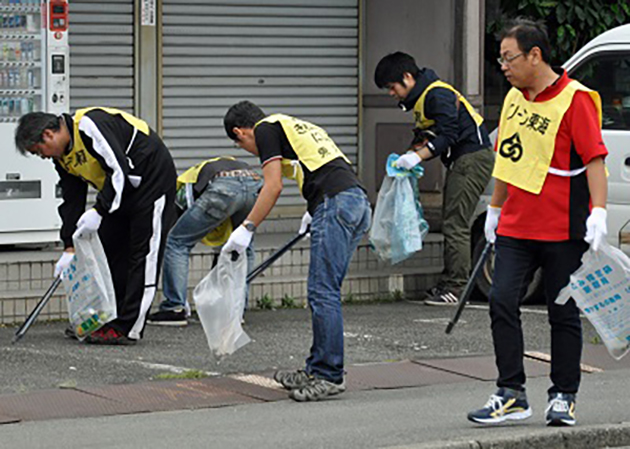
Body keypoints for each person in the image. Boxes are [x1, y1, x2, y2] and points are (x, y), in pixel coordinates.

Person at [468, 19, 608, 427]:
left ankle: (564, 395)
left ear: (535, 55)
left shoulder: (574, 99)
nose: (504, 67)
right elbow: (508, 159)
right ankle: (510, 392)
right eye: (500, 59)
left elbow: (595, 159)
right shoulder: (514, 98)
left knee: (562, 312)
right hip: (516, 225)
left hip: (563, 228)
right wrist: (494, 209)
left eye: (509, 58)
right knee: (500, 300)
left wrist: (597, 210)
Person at [222, 101, 371, 401]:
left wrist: (247, 228)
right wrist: (312, 210)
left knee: (322, 291)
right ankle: (317, 368)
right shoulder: (294, 125)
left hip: (336, 203)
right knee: (325, 290)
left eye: (242, 145)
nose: (251, 151)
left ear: (240, 133)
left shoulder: (265, 129)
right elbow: (317, 165)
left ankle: (329, 375)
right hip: (356, 202)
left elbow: (273, 185)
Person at [15, 108, 177, 345]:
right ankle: (104, 318)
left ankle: (126, 327)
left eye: (39, 151)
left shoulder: (89, 126)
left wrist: (100, 210)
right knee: (108, 251)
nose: (44, 157)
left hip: (152, 184)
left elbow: (118, 169)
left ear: (48, 134)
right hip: (120, 193)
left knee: (142, 255)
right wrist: (69, 246)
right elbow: (72, 200)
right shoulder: (63, 157)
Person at [374, 52, 495, 306]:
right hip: (464, 160)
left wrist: (417, 158)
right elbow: (427, 135)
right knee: (452, 220)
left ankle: (457, 288)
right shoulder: (423, 97)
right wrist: (408, 157)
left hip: (472, 158)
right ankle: (449, 282)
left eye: (391, 87)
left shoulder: (436, 94)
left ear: (407, 77)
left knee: (455, 223)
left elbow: (448, 135)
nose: (391, 93)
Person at [147, 157, 263, 326]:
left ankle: (174, 308)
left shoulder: (181, 185)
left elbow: (181, 220)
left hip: (223, 186)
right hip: (254, 182)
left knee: (176, 242)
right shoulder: (219, 163)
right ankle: (233, 310)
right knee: (242, 247)